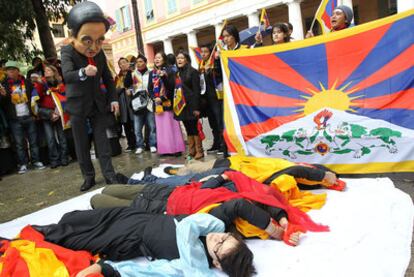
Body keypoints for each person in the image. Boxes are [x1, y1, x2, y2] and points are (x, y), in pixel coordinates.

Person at [62, 1, 124, 191]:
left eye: (99, 40)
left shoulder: (99, 54)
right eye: (87, 40)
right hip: (78, 105)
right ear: (73, 37)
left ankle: (109, 175)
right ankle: (88, 177)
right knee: (81, 144)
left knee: (102, 142)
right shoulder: (67, 51)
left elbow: (108, 78)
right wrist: (83, 72)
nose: (94, 46)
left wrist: (113, 99)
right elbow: (67, 75)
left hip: (98, 104)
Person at [164, 155, 346, 211]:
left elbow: (299, 174)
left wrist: (323, 177)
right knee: (193, 175)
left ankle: (174, 173)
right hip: (233, 166)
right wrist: (323, 176)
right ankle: (174, 172)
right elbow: (300, 172)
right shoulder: (294, 168)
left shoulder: (292, 170)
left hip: (236, 170)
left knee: (193, 178)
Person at [0, 61, 45, 174]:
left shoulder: (26, 82)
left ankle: (36, 161)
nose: (9, 72)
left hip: (28, 116)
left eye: (12, 69)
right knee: (19, 143)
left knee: (33, 141)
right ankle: (23, 164)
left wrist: (34, 113)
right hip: (15, 119)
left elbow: (34, 98)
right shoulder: (4, 85)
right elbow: (2, 104)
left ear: (17, 71)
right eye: (8, 70)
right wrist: (3, 96)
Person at [32, 64, 69, 168]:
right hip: (46, 114)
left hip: (59, 112)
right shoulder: (40, 83)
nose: (46, 72)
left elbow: (64, 97)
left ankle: (64, 158)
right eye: (45, 70)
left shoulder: (60, 83)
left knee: (62, 137)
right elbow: (36, 98)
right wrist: (38, 84)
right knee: (50, 139)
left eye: (49, 70)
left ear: (54, 72)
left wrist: (57, 112)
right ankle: (54, 160)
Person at [148, 52, 185, 156]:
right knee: (161, 128)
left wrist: (162, 97)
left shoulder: (170, 71)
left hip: (168, 103)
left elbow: (172, 87)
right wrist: (154, 98)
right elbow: (149, 88)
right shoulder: (152, 73)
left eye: (159, 57)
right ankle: (165, 150)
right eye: (155, 58)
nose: (156, 59)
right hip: (158, 105)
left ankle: (176, 149)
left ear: (164, 59)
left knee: (172, 126)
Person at [174, 51, 204, 159]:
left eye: (181, 58)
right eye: (178, 58)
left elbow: (197, 90)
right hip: (182, 106)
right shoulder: (177, 74)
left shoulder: (193, 72)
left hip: (192, 105)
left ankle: (199, 150)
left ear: (187, 59)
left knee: (194, 128)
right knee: (188, 128)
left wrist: (196, 107)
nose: (179, 60)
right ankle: (192, 151)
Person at [125, 54, 156, 154]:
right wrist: (129, 90)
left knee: (152, 126)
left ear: (145, 62)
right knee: (137, 128)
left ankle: (152, 144)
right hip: (137, 103)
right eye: (137, 62)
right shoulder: (132, 74)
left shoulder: (151, 73)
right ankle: (140, 145)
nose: (138, 64)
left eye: (141, 62)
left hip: (149, 103)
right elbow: (128, 86)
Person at [199, 44, 225, 154]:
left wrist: (214, 67)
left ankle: (223, 145)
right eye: (202, 52)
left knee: (219, 123)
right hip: (207, 99)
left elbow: (220, 75)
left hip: (216, 98)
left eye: (205, 52)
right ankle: (216, 143)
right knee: (212, 123)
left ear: (211, 53)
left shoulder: (214, 64)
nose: (203, 54)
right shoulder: (201, 66)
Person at [114, 57, 136, 153]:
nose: (122, 64)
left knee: (134, 123)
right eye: (120, 63)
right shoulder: (117, 78)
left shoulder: (133, 74)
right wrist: (121, 88)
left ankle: (138, 143)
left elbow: (135, 85)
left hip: (131, 101)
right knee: (126, 124)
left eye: (124, 62)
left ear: (128, 63)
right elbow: (115, 91)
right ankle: (130, 144)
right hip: (122, 104)